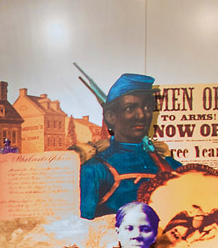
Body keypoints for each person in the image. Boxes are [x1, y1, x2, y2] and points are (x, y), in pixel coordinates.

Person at [76, 72, 183, 220]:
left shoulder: (173, 166)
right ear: (110, 116)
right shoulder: (95, 170)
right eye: (130, 108)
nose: (141, 115)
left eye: (147, 107)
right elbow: (84, 228)